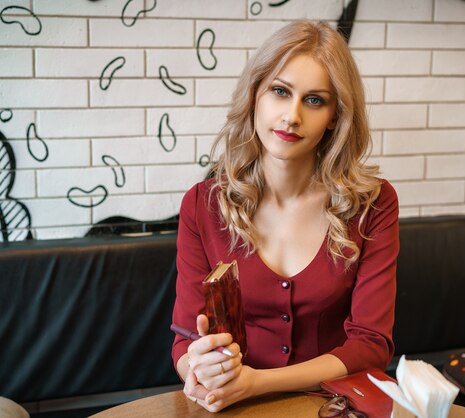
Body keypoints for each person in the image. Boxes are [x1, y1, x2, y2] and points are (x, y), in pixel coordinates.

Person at [171, 20, 399, 413]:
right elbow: (186, 337)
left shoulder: (373, 204)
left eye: (314, 100)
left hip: (337, 407)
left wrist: (257, 382)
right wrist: (198, 369)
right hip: (234, 407)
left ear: (335, 116)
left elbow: (371, 345)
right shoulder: (201, 206)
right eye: (280, 91)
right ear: (256, 95)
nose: (291, 116)